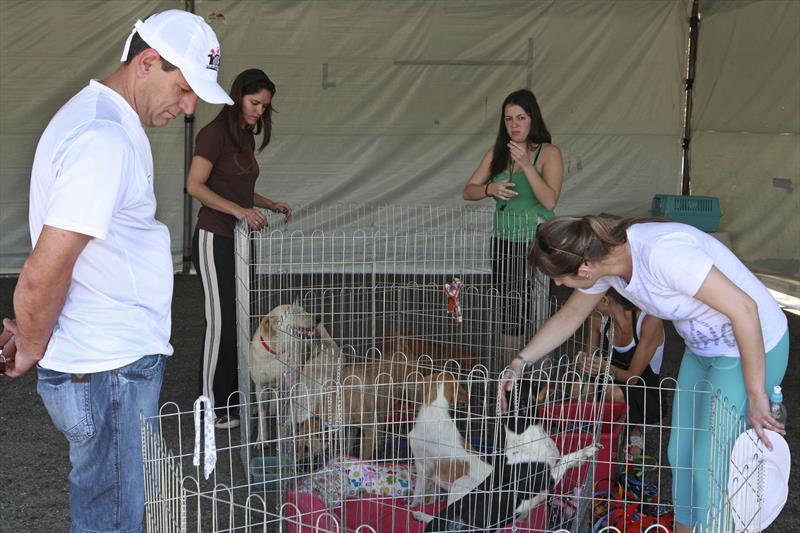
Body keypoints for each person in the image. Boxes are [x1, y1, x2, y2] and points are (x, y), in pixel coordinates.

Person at [0, 10, 232, 532]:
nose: (189, 107)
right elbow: (43, 270)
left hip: (103, 362)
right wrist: (35, 343)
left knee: (107, 505)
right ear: (148, 62)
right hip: (108, 369)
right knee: (115, 519)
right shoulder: (103, 138)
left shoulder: (99, 119)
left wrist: (38, 330)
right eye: (186, 89)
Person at [501, 215, 789, 532]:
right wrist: (520, 361)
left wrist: (756, 393)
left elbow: (745, 308)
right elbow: (570, 315)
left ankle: (716, 526)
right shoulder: (604, 263)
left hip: (752, 342)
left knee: (711, 460)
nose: (557, 284)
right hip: (702, 348)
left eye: (559, 278)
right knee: (679, 451)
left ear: (583, 269)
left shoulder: (661, 254)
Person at [187, 68, 291, 429]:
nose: (259, 111)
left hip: (241, 240)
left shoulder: (244, 136)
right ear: (237, 96)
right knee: (220, 323)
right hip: (214, 237)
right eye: (254, 102)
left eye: (265, 106)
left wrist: (266, 203)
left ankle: (231, 401)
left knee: (237, 322)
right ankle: (210, 407)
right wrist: (239, 211)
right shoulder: (213, 134)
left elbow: (239, 189)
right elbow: (195, 186)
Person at [462, 89, 564, 365]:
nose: (514, 125)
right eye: (508, 119)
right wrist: (489, 189)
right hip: (505, 241)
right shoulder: (497, 152)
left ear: (533, 120)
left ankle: (543, 375)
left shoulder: (548, 153)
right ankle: (512, 376)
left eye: (521, 117)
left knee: (541, 307)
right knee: (511, 309)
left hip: (537, 240)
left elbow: (550, 199)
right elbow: (468, 191)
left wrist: (527, 166)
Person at [576, 287, 666, 457]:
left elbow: (632, 378)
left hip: (644, 395)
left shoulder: (649, 320)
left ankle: (635, 432)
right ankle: (594, 434)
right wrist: (584, 362)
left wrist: (603, 367)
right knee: (577, 388)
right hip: (608, 385)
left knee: (614, 392)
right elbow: (591, 363)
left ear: (604, 299)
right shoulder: (598, 317)